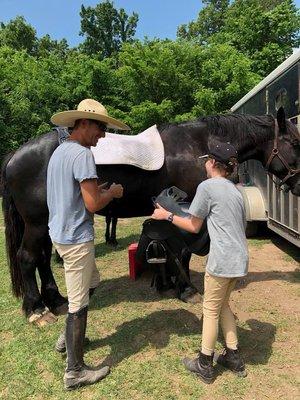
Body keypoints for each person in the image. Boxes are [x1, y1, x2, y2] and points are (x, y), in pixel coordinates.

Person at [47, 98, 130, 390]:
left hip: (59, 234)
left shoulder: (59, 152)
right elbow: (93, 203)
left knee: (92, 280)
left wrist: (99, 190)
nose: (103, 135)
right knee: (79, 302)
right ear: (83, 123)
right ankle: (75, 371)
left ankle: (68, 340)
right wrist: (113, 192)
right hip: (76, 239)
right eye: (100, 127)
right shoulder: (82, 155)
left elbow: (74, 194)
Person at [151, 141, 248, 384]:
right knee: (223, 305)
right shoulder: (236, 189)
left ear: (213, 163)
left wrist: (167, 215)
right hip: (240, 258)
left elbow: (193, 226)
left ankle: (205, 363)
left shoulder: (207, 187)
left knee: (210, 310)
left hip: (222, 260)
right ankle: (233, 357)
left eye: (207, 160)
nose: (204, 164)